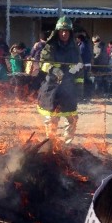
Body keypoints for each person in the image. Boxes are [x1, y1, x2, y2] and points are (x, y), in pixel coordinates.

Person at [37, 15, 84, 143]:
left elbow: (80, 68)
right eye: (62, 31)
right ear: (57, 32)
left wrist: (79, 86)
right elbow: (42, 63)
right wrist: (52, 69)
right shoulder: (50, 46)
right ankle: (50, 144)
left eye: (66, 31)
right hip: (52, 87)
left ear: (70, 32)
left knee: (72, 118)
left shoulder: (75, 50)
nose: (64, 33)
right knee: (52, 118)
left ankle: (67, 144)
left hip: (68, 88)